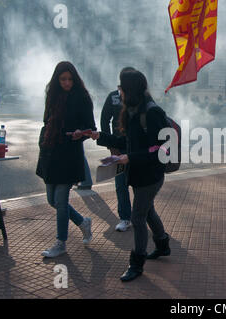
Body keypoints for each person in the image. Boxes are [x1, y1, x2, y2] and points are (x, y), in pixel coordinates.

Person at [91, 70, 171, 282]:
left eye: (122, 88)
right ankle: (162, 244)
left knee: (137, 217)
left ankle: (137, 263)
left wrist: (130, 158)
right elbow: (126, 142)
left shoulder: (151, 113)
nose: (119, 91)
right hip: (138, 172)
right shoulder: (131, 111)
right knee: (147, 209)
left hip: (151, 175)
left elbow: (162, 149)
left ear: (131, 90)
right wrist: (100, 136)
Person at [36, 61, 96, 258]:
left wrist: (81, 132)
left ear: (75, 79)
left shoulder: (82, 97)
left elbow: (91, 127)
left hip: (69, 154)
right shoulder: (52, 95)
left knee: (61, 201)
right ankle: (82, 222)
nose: (67, 83)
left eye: (70, 79)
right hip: (51, 153)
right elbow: (46, 121)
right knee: (52, 200)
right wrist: (43, 142)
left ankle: (61, 242)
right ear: (57, 80)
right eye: (63, 79)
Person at [100, 67, 135, 232]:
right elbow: (104, 119)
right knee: (121, 184)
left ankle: (142, 216)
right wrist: (110, 145)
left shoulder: (140, 97)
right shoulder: (113, 97)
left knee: (139, 185)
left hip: (136, 150)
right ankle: (125, 218)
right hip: (119, 148)